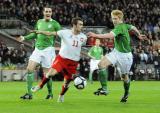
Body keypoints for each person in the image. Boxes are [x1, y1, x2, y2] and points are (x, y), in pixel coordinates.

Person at [87, 10, 146, 102]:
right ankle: (105, 89)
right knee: (101, 65)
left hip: (125, 57)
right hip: (116, 52)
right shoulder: (126, 26)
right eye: (112, 18)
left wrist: (95, 35)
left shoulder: (120, 27)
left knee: (124, 77)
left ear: (120, 19)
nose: (113, 20)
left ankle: (126, 92)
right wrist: (138, 35)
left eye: (115, 19)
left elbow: (110, 35)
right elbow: (133, 27)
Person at [31, 17, 87, 102]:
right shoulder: (64, 32)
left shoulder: (83, 37)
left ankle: (61, 95)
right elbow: (50, 33)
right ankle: (40, 86)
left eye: (82, 25)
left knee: (67, 82)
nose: (81, 26)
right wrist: (40, 31)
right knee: (50, 74)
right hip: (62, 59)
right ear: (74, 25)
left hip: (73, 63)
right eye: (80, 24)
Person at [17, 7, 61, 99]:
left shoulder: (55, 24)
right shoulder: (39, 22)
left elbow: (60, 35)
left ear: (51, 13)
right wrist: (24, 38)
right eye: (46, 11)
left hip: (48, 50)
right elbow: (34, 34)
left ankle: (50, 94)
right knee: (29, 69)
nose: (48, 13)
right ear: (43, 12)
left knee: (47, 74)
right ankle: (29, 94)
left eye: (50, 11)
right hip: (37, 49)